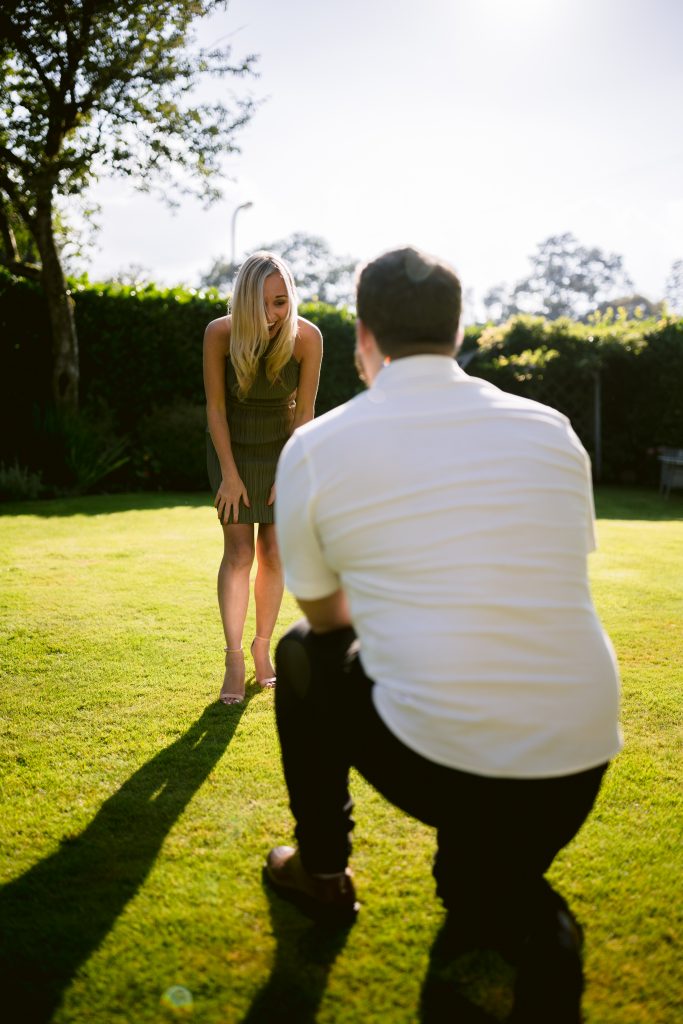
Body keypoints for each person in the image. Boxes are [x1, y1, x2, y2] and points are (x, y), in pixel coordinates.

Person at [265, 247, 622, 1023]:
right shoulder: (550, 427)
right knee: (476, 897)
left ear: (363, 337)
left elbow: (327, 623)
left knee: (298, 652)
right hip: (580, 756)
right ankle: (507, 900)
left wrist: (400, 586)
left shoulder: (317, 445)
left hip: (446, 759)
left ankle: (321, 872)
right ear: (457, 333)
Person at [203, 251, 322, 705]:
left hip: (281, 446)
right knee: (238, 551)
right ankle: (234, 657)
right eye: (264, 304)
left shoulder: (307, 338)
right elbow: (215, 408)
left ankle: (261, 648)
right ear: (244, 301)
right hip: (230, 445)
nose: (273, 315)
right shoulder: (220, 333)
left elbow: (306, 413)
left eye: (281, 302)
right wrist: (229, 476)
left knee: (273, 550)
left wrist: (290, 471)